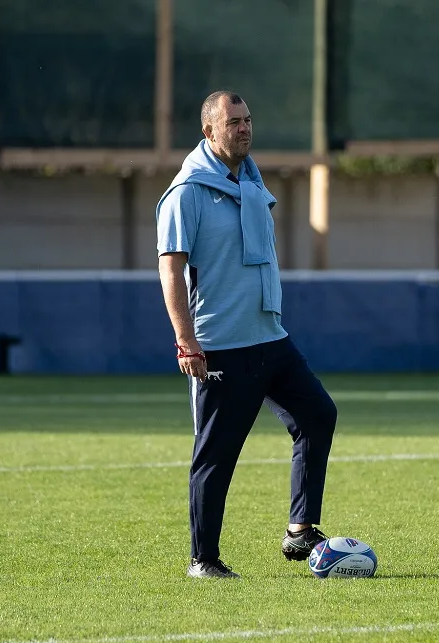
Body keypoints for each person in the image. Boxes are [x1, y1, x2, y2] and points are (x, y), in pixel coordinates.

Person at [155, 90, 339, 579]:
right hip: (220, 345)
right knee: (216, 455)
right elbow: (170, 270)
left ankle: (300, 530)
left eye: (248, 119)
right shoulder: (187, 192)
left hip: (269, 337)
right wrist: (185, 340)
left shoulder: (251, 182)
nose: (244, 127)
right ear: (209, 131)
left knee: (318, 415)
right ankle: (204, 560)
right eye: (233, 121)